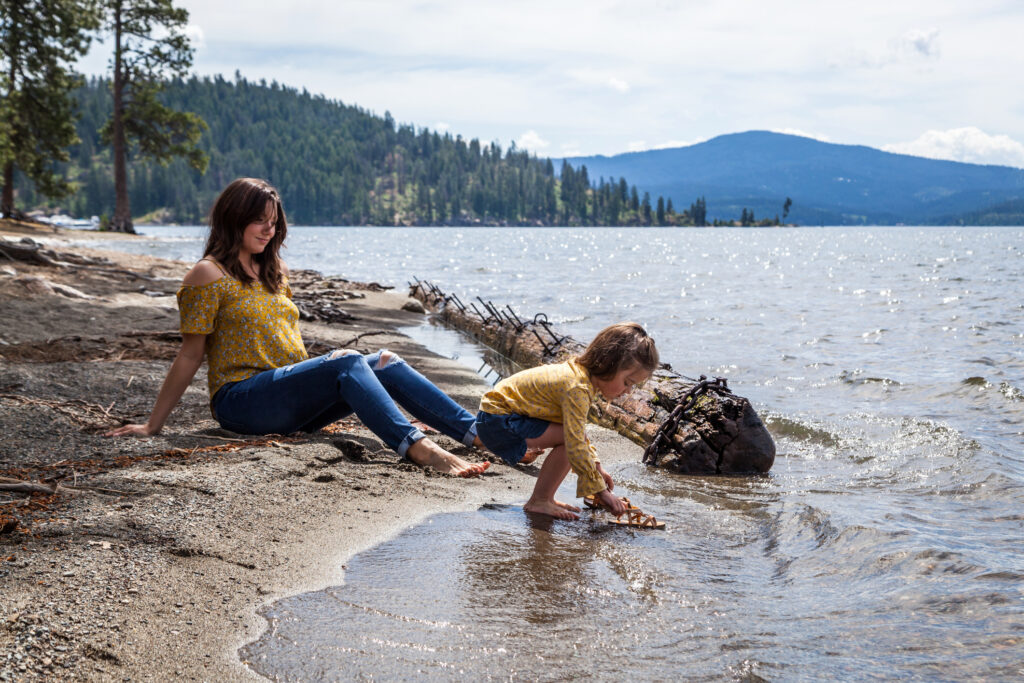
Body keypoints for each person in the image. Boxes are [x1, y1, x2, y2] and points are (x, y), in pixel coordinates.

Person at [106, 177, 489, 478]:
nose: (268, 229)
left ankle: (480, 435)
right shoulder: (207, 274)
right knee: (346, 360)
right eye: (259, 220)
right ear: (233, 218)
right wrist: (152, 425)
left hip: (289, 398)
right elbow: (190, 353)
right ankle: (418, 447)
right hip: (241, 401)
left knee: (386, 361)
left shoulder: (276, 271)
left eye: (273, 222)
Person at [475, 322, 658, 519]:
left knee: (571, 435)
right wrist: (601, 492)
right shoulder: (577, 388)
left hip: (495, 417)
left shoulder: (579, 375)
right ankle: (539, 500)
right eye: (627, 383)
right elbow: (576, 442)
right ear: (608, 364)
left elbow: (577, 433)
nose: (628, 391)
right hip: (497, 421)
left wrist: (596, 467)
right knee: (569, 440)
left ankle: (544, 498)